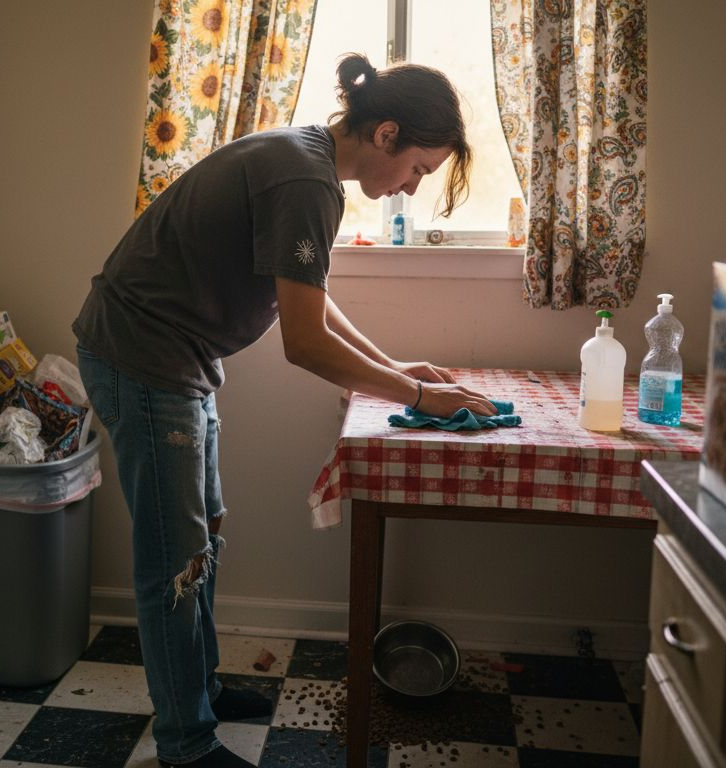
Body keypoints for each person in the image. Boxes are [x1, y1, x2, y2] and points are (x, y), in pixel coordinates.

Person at [72, 52, 497, 768]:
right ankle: (186, 743)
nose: (409, 190)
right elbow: (304, 344)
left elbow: (315, 305)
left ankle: (196, 693)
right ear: (387, 134)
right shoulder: (306, 180)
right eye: (419, 170)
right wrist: (419, 396)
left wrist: (395, 369)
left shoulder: (308, 161)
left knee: (203, 539)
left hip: (175, 362)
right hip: (142, 357)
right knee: (173, 564)